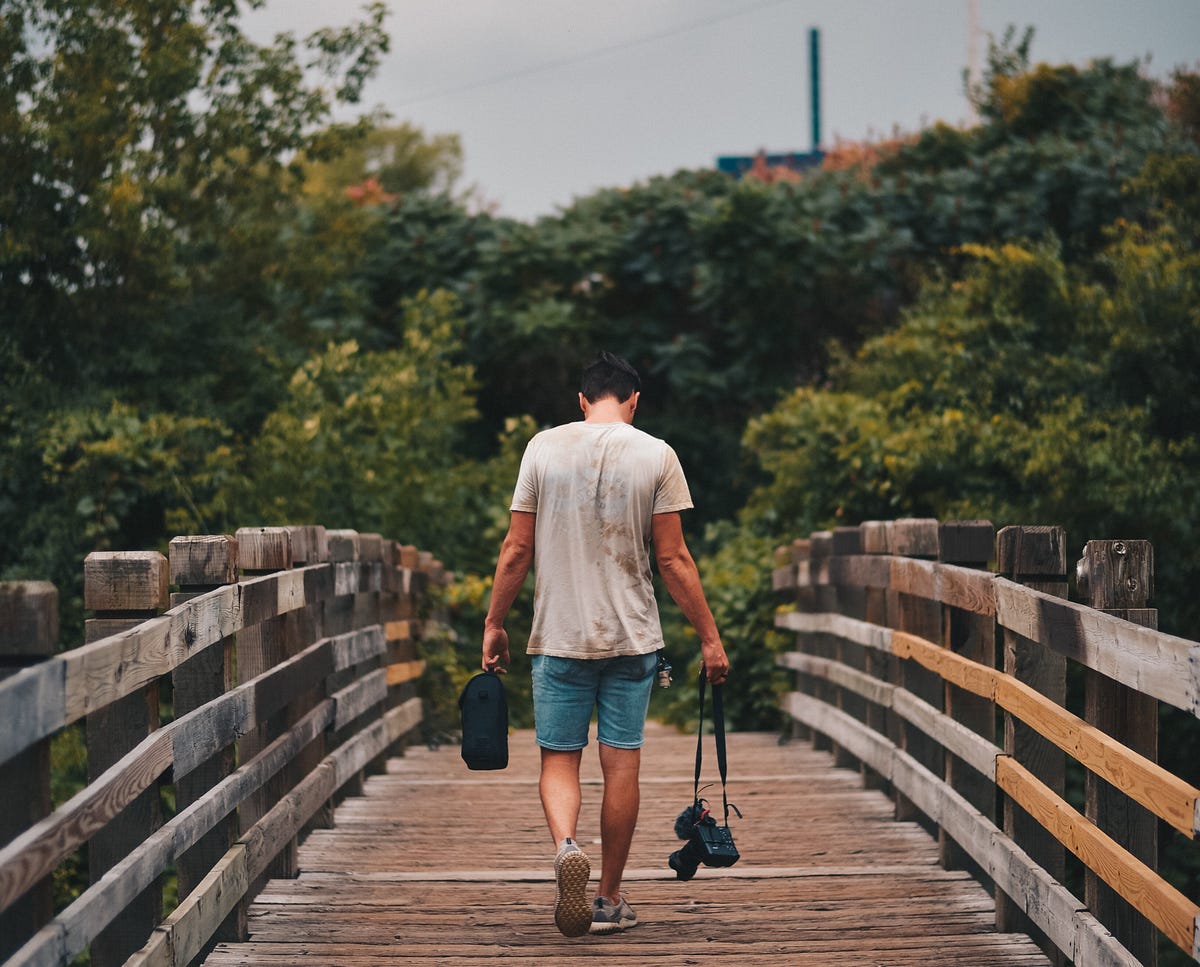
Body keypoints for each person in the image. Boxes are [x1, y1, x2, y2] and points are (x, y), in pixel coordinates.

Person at [481, 351, 730, 938]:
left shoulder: (542, 448)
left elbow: (516, 549)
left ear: (582, 399)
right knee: (621, 765)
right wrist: (709, 639)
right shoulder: (657, 454)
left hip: (559, 636)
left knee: (558, 759)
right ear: (634, 400)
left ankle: (567, 846)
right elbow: (672, 558)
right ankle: (610, 899)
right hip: (630, 637)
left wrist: (495, 622)